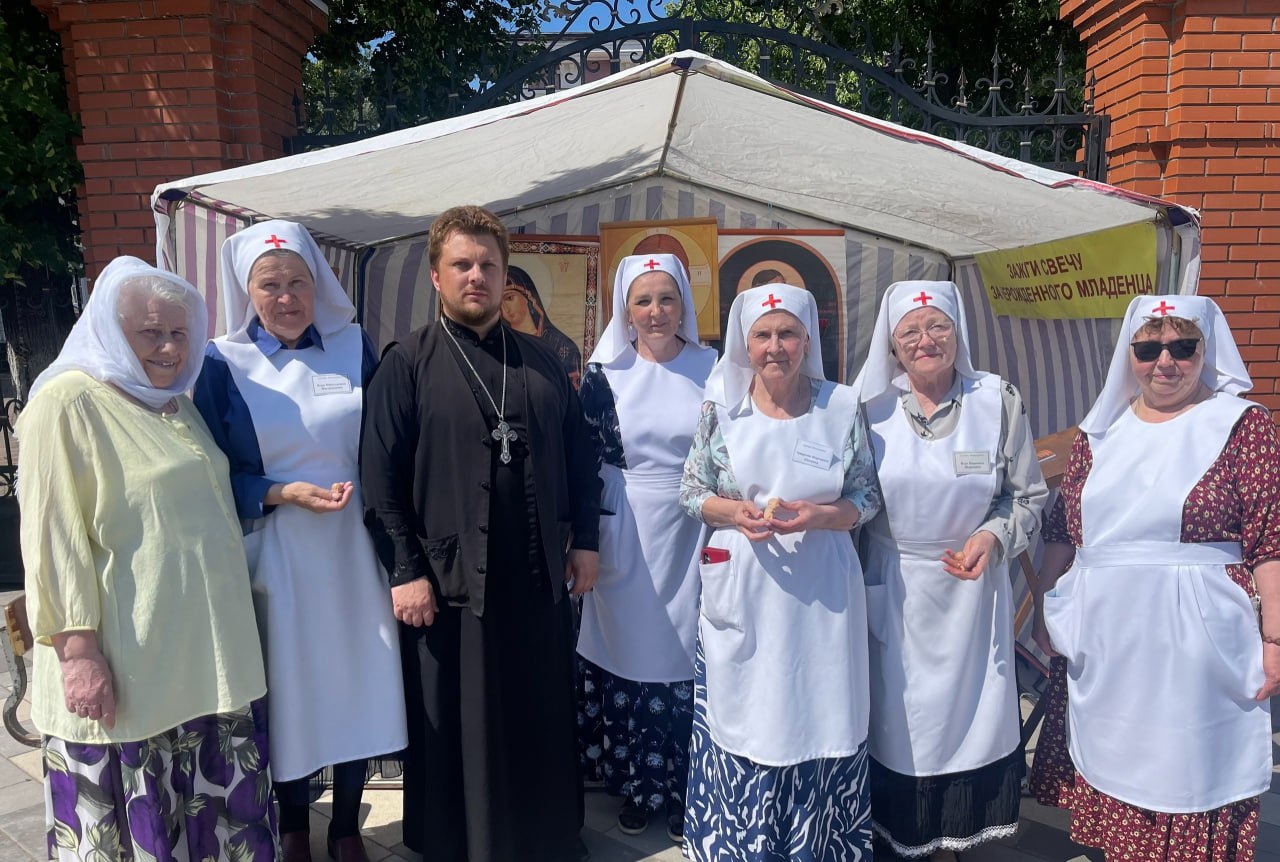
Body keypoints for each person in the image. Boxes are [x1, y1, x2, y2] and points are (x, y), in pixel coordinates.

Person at [359, 205, 602, 862]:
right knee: (459, 718)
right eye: (462, 264)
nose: (476, 276)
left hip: (538, 573)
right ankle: (462, 844)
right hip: (449, 582)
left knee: (537, 707)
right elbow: (379, 478)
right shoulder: (406, 364)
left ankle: (546, 837)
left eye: (488, 265)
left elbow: (581, 457)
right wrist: (405, 569)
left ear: (505, 275)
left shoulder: (544, 363)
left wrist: (586, 540)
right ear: (436, 276)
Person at [18, 256, 275, 861]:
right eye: (150, 332)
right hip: (130, 677)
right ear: (110, 329)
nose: (168, 348)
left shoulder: (175, 404)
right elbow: (53, 538)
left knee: (215, 826)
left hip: (207, 668)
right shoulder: (66, 403)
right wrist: (78, 655)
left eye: (179, 333)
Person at [1029, 294, 1279, 862]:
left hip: (1196, 635)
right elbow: (1063, 531)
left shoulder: (1241, 424)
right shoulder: (1101, 431)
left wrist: (1274, 639)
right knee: (1118, 753)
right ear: (1130, 354)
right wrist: (1044, 607)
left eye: (1182, 346)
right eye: (1148, 349)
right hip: (1108, 634)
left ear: (1206, 350)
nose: (1165, 362)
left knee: (1188, 762)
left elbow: (1270, 541)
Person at [193, 220, 406, 862]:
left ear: (318, 286)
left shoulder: (353, 346)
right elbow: (209, 472)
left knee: (356, 680)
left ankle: (345, 825)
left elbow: (386, 442)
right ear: (247, 292)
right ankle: (292, 824)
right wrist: (281, 492)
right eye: (270, 285)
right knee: (292, 690)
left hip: (355, 547)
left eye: (297, 282)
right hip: (277, 550)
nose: (286, 297)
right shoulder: (222, 362)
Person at [679, 282, 882, 861]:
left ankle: (815, 846)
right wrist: (734, 513)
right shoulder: (722, 408)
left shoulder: (841, 407)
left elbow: (866, 496)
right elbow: (691, 491)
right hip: (744, 584)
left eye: (788, 333)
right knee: (746, 710)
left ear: (807, 339)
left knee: (820, 709)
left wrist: (823, 516)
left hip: (821, 587)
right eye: (763, 335)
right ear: (745, 344)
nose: (775, 347)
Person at [851, 280, 1049, 860]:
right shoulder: (867, 408)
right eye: (910, 331)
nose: (925, 340)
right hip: (896, 586)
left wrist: (993, 535)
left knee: (969, 719)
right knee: (898, 721)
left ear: (957, 331)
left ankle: (950, 837)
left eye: (938, 325)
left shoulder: (997, 399)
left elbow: (1027, 496)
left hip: (973, 590)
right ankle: (898, 835)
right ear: (892, 345)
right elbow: (852, 500)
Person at [575, 254, 716, 842]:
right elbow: (584, 458)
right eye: (643, 300)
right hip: (624, 526)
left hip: (694, 526)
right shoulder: (603, 372)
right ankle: (637, 786)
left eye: (666, 298)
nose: (655, 312)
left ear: (684, 303)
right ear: (624, 309)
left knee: (687, 656)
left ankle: (685, 789)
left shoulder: (714, 367)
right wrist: (584, 538)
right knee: (627, 655)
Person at [501, 265, 583, 387]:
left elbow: (570, 391)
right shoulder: (501, 344)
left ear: (528, 297)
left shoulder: (560, 345)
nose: (505, 308)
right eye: (499, 302)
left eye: (509, 298)